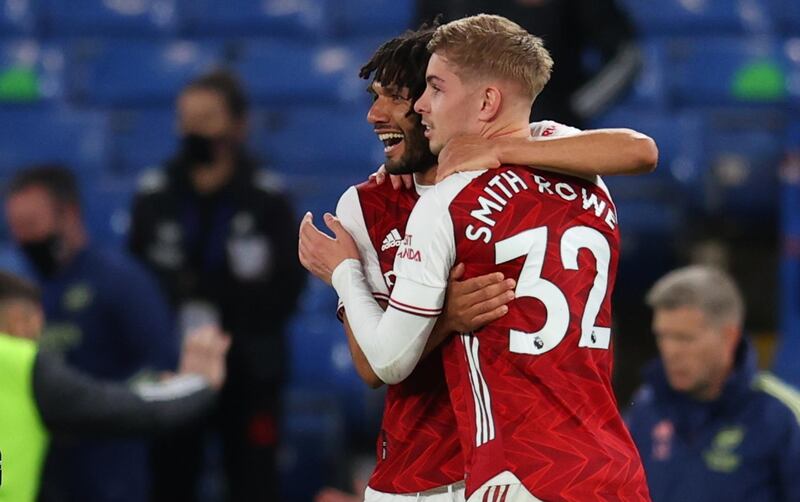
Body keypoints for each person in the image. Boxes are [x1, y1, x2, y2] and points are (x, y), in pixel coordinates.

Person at [300, 15, 653, 502]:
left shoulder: (465, 193)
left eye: (411, 94)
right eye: (375, 97)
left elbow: (637, 149)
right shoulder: (369, 205)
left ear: (481, 99)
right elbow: (372, 366)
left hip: (507, 469)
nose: (379, 114)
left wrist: (502, 149)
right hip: (440, 469)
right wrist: (446, 318)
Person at [128, 69, 306, 501]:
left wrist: (236, 324)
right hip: (175, 363)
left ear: (238, 125)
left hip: (250, 367)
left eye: (207, 119)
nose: (193, 130)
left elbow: (289, 285)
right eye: (186, 119)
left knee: (253, 484)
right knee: (170, 481)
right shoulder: (154, 196)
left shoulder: (267, 198)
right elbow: (137, 281)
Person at [3, 165, 179, 502]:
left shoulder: (121, 281)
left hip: (109, 463)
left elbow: (159, 364)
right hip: (42, 466)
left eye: (31, 225)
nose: (24, 239)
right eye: (15, 230)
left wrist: (101, 405)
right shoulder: (17, 288)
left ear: (69, 215)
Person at [0, 270, 230, 502]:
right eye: (37, 324)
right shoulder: (18, 363)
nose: (38, 337)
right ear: (20, 320)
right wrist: (199, 384)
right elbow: (130, 410)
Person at [625, 265, 800, 501]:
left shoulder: (783, 415)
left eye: (684, 338)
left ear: (729, 337)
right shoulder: (645, 408)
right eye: (662, 336)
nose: (670, 351)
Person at [415, 0, 641, 128]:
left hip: (544, 133)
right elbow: (421, 50)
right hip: (462, 131)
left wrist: (572, 110)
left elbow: (625, 57)